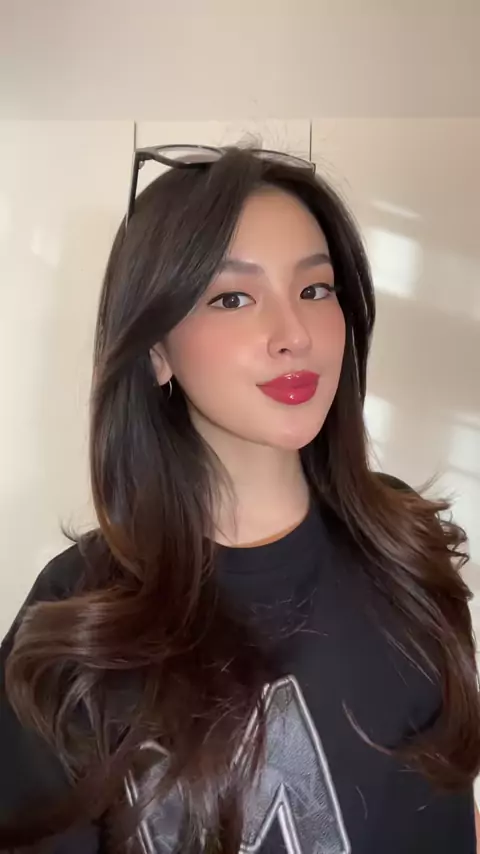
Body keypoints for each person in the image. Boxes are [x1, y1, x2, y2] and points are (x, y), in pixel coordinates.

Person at [0, 145, 479, 854]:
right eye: (233, 298)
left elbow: (448, 814)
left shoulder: (405, 550)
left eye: (316, 289)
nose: (295, 335)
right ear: (156, 350)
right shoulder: (78, 619)